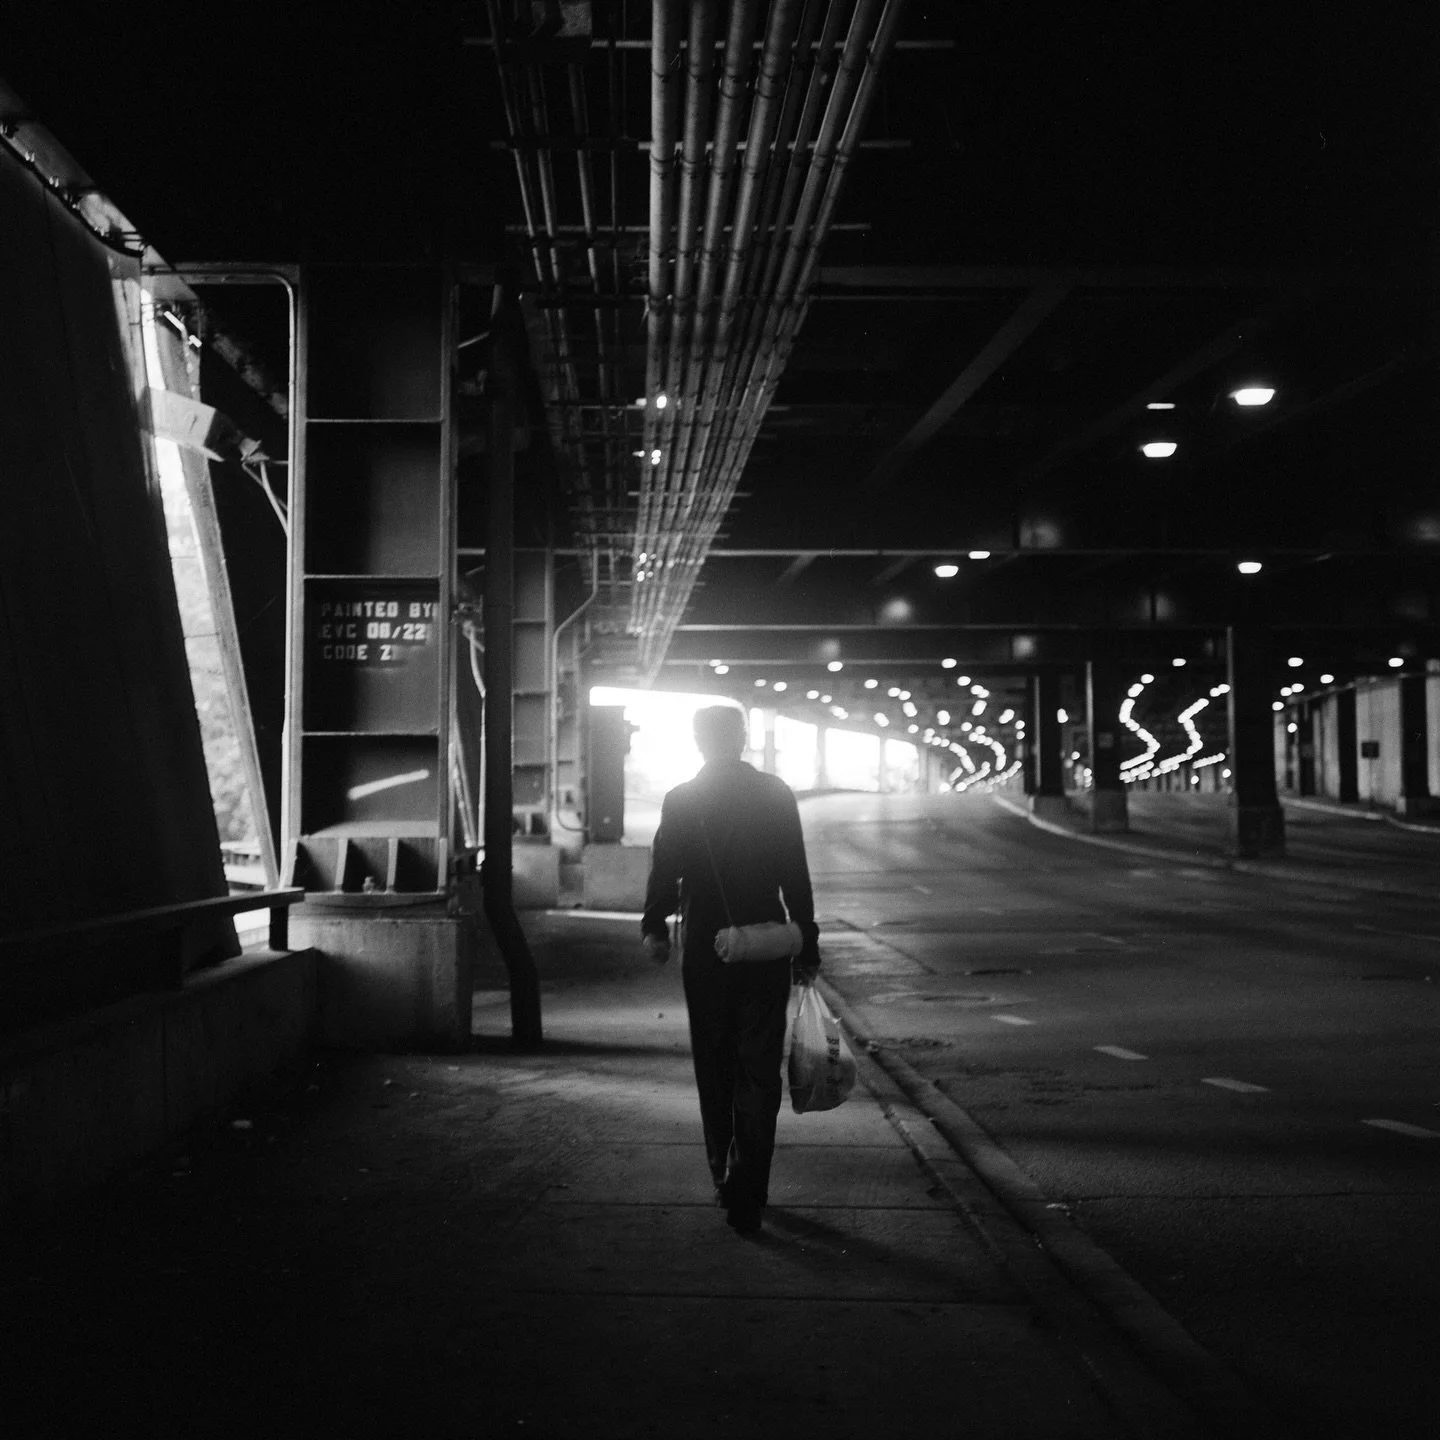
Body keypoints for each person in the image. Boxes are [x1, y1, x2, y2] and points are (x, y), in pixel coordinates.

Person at [641, 705, 821, 1237]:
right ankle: (752, 1189)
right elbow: (797, 875)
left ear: (697, 740)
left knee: (714, 1066)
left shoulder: (682, 798)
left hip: (706, 951)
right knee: (759, 1070)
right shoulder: (775, 793)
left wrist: (654, 927)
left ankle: (722, 1172)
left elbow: (665, 870)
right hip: (765, 947)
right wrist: (806, 943)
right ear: (742, 739)